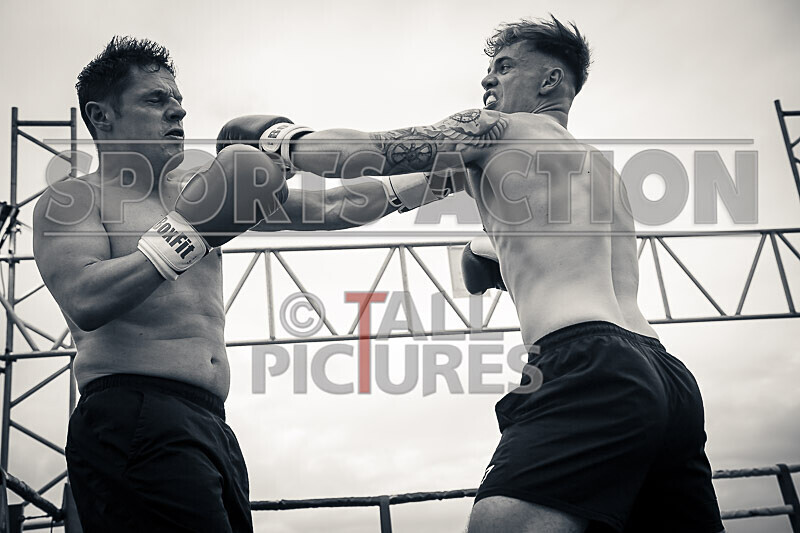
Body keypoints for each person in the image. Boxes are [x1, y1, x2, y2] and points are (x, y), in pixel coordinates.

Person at [221, 15, 725, 533]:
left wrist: (279, 140)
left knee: (501, 525)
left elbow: (363, 156)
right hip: (668, 378)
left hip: (586, 360)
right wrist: (235, 206)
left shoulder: (496, 132)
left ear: (551, 80)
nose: (488, 80)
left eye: (504, 67)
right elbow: (346, 205)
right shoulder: (601, 170)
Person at [32, 36, 458, 532]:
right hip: (131, 415)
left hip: (209, 421)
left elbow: (330, 208)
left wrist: (444, 179)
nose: (176, 113)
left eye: (178, 102)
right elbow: (85, 298)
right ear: (101, 115)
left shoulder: (200, 186)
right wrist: (187, 235)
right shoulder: (73, 200)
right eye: (155, 100)